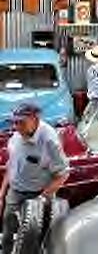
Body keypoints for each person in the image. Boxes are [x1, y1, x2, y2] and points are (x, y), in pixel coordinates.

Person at [0, 104, 69, 254]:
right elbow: (11, 164)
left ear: (35, 119)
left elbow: (62, 174)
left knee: (34, 238)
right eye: (14, 122)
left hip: (37, 194)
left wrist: (41, 199)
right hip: (15, 191)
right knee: (8, 231)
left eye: (21, 122)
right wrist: (2, 194)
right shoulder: (17, 135)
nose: (16, 127)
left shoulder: (49, 141)